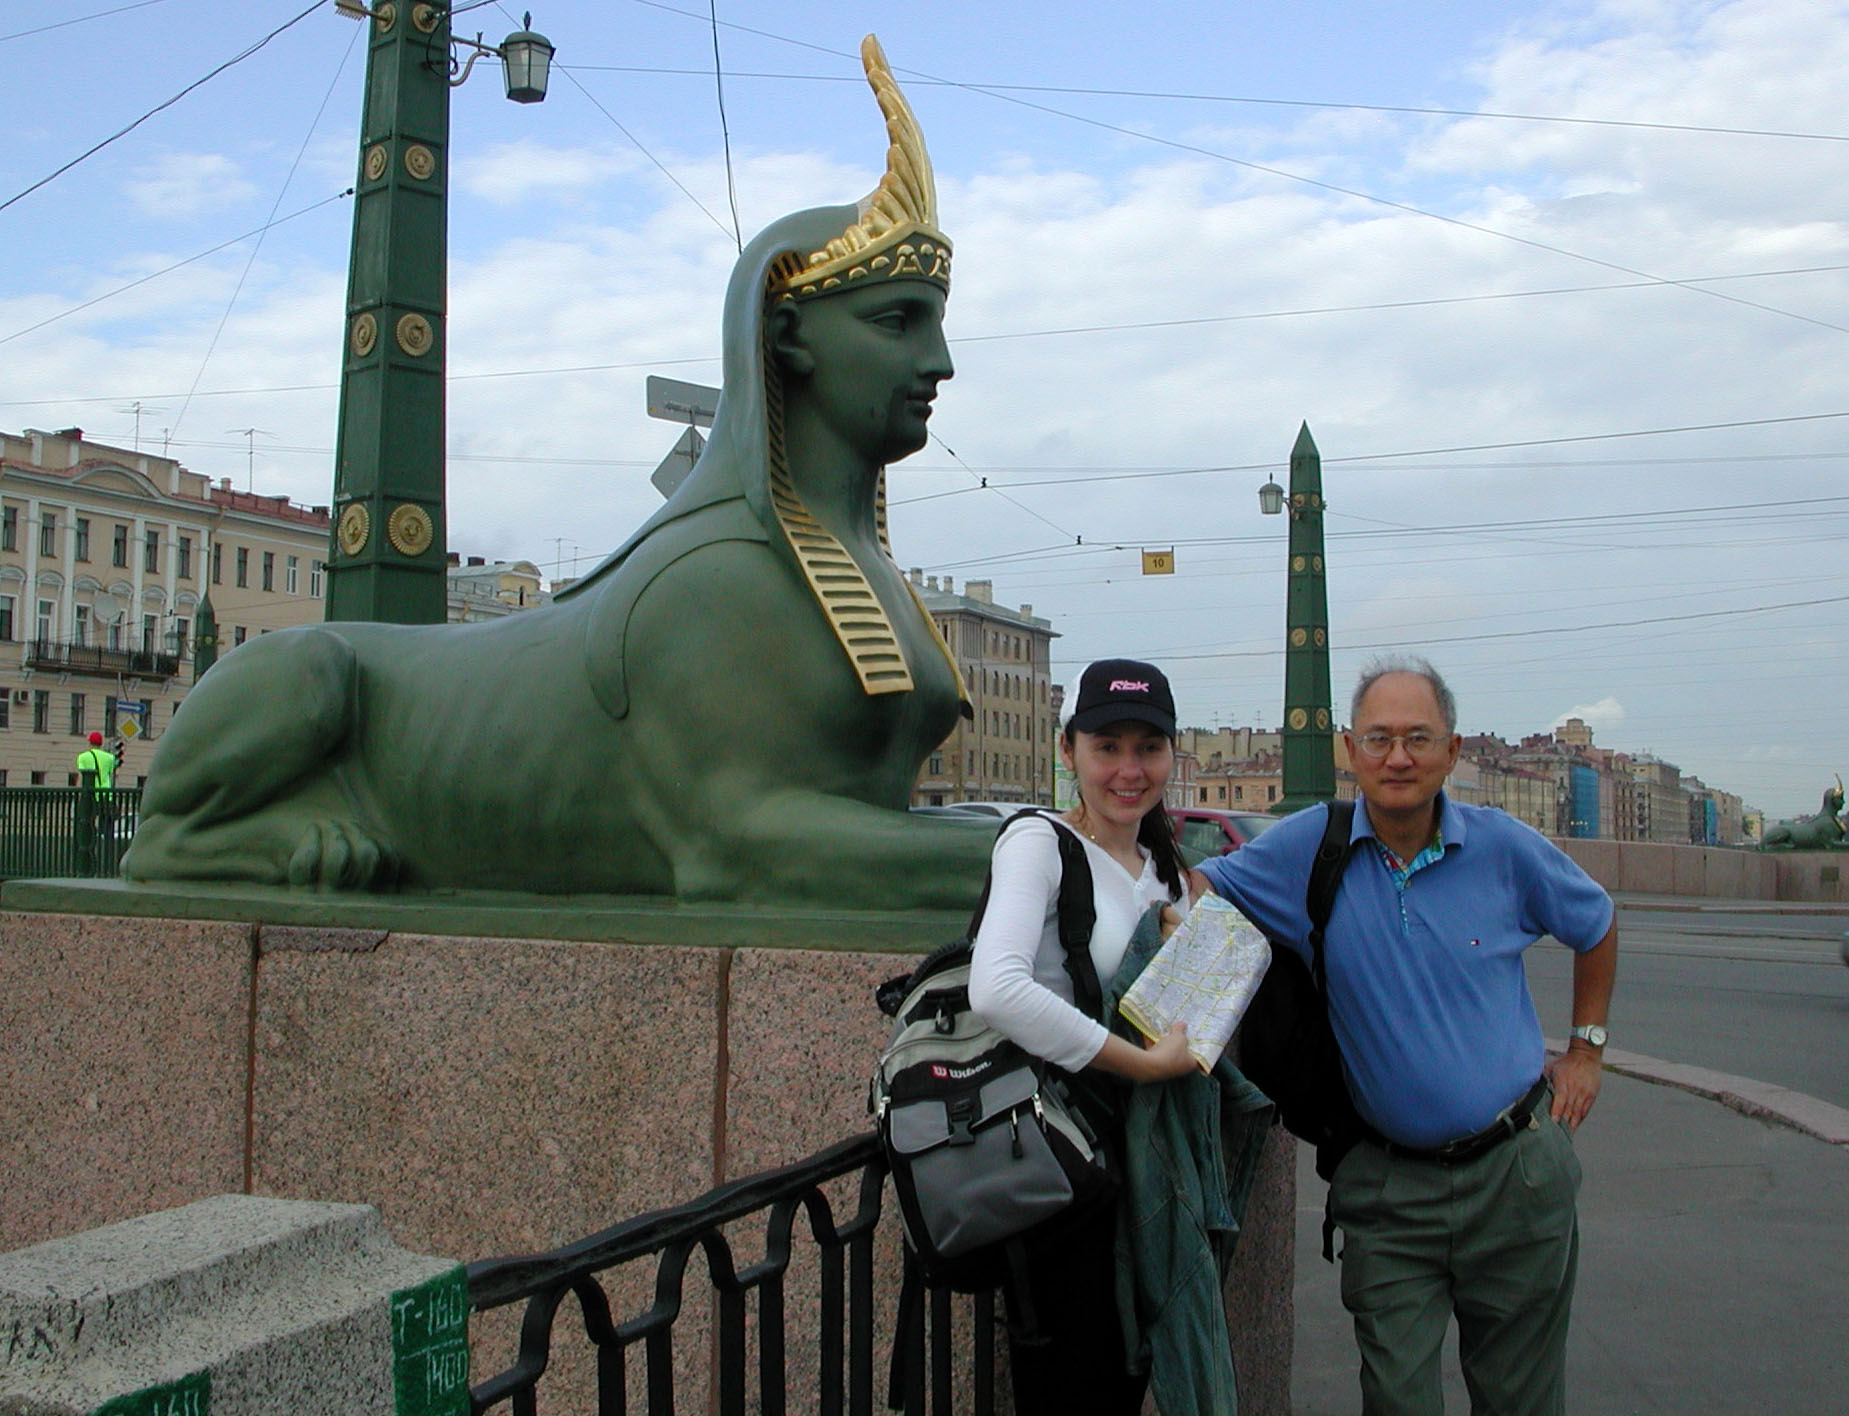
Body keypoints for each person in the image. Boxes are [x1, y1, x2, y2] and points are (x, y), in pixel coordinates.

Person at [1194, 655, 1617, 1416]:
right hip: (1388, 1190)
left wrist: (1585, 1049)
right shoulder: (1306, 851)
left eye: (1418, 738)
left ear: (1451, 753)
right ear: (1349, 751)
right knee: (1395, 1397)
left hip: (1515, 1174)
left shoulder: (1503, 847)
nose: (1397, 757)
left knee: (1519, 1398)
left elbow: (1596, 923)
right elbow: (1199, 888)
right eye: (1379, 737)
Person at [967, 657, 1198, 1416]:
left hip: (1137, 1166)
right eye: (1107, 747)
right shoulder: (1037, 842)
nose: (1129, 770)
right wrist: (1140, 1064)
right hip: (1062, 1165)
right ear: (1068, 752)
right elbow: (996, 987)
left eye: (1148, 747)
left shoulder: (1163, 868)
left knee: (1125, 1368)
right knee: (1073, 1375)